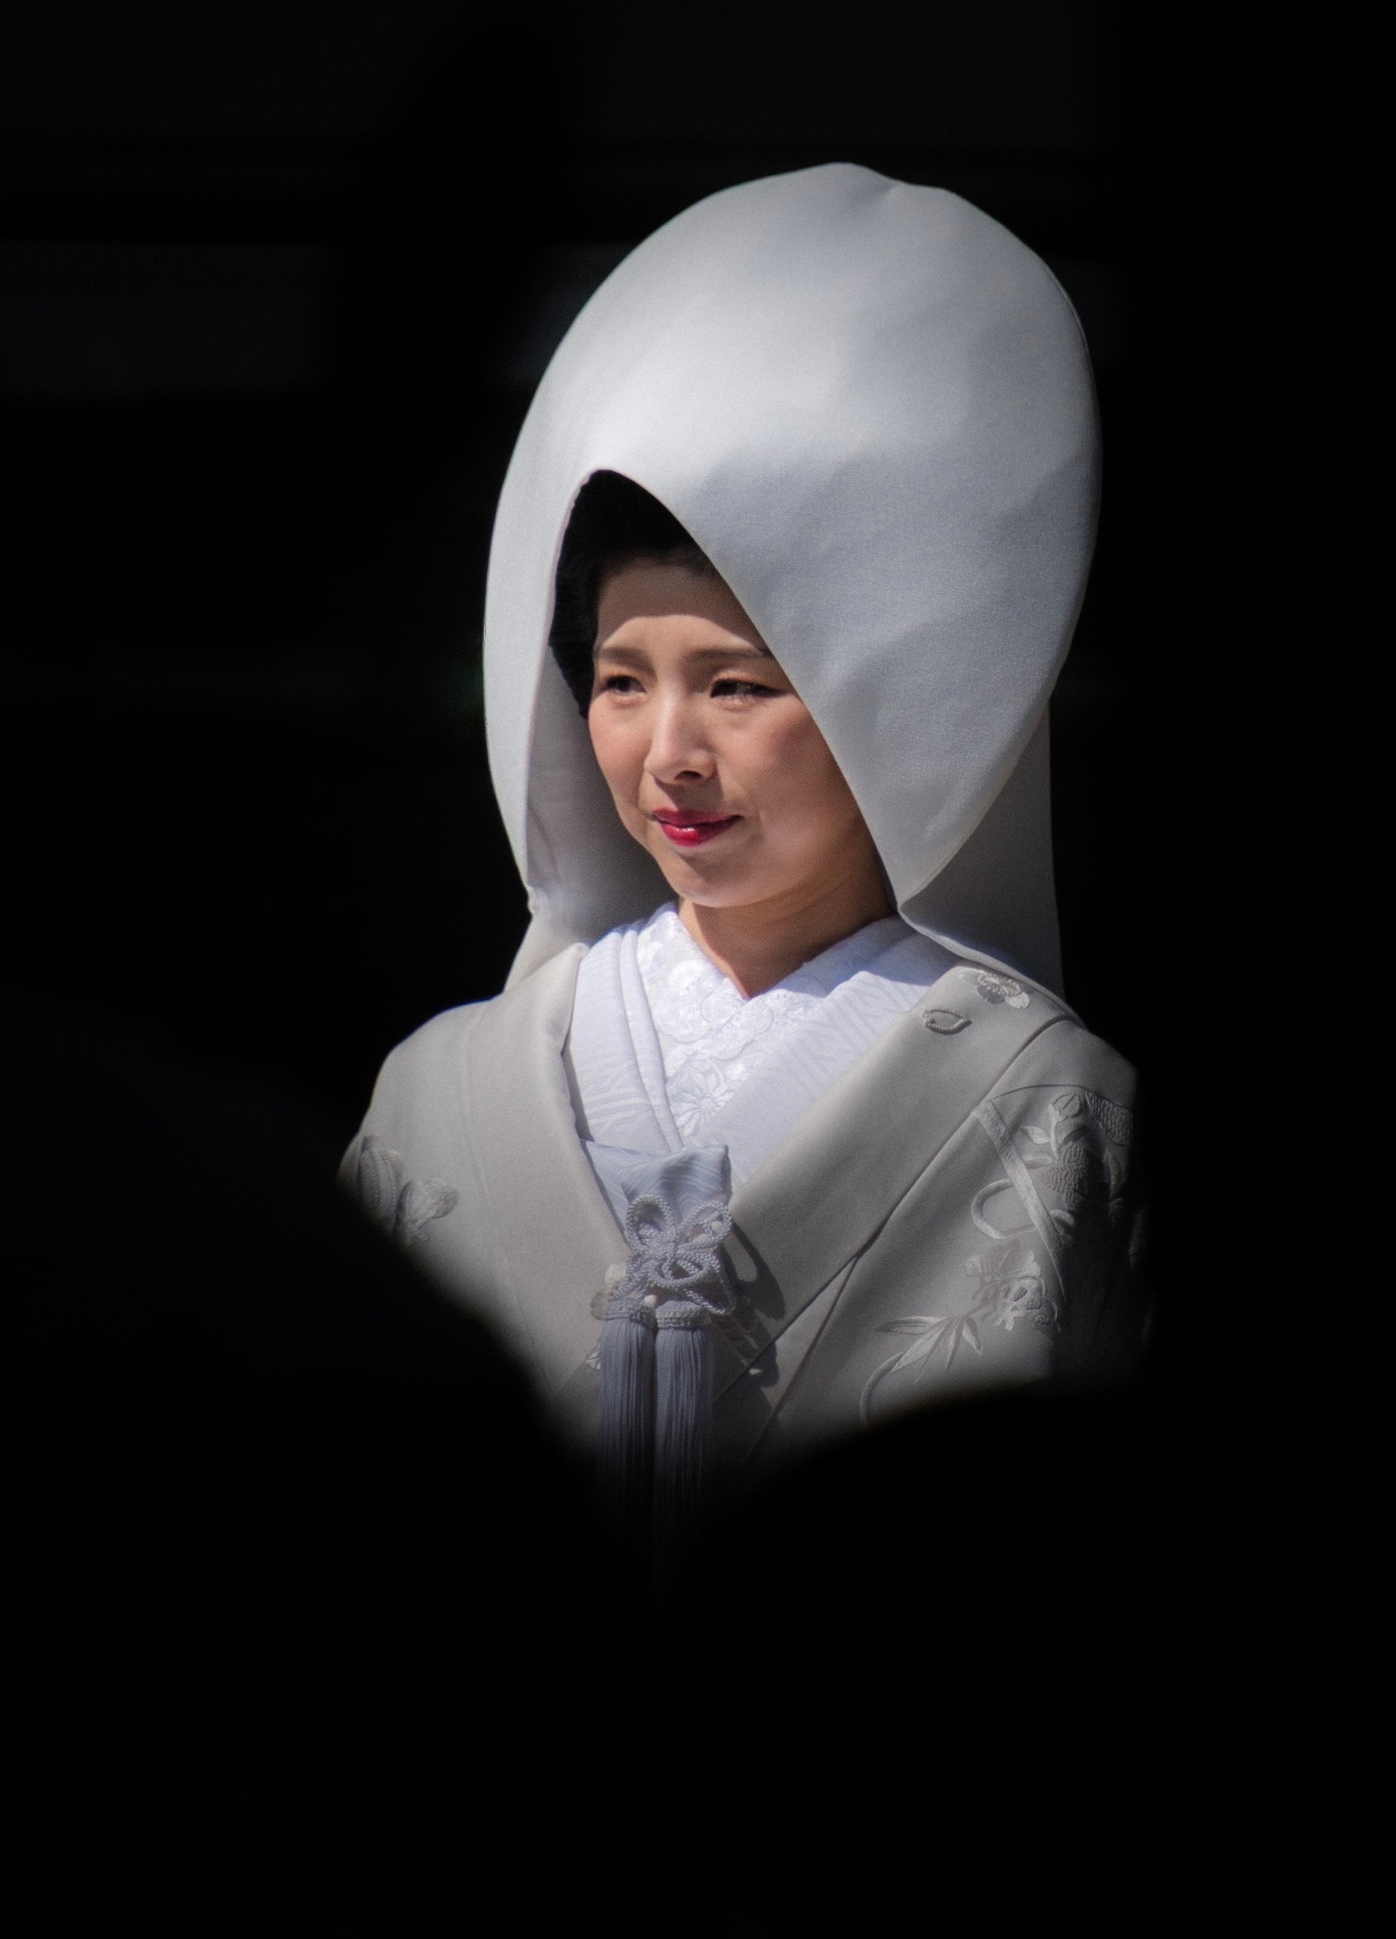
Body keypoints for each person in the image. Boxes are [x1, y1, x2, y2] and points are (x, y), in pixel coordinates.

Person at [344, 162, 1146, 1544]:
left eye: (737, 685)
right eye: (618, 681)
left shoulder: (1054, 1107)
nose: (669, 756)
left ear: (896, 703)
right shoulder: (439, 1090)